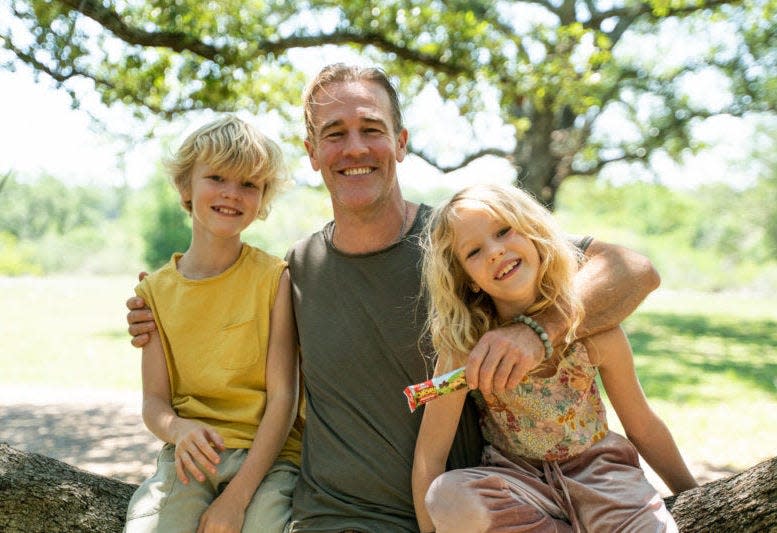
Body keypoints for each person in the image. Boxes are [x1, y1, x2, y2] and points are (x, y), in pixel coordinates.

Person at [127, 63, 661, 532]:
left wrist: (538, 330)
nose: (355, 148)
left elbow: (633, 271)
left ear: (400, 141)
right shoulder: (298, 268)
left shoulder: (460, 246)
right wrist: (156, 307)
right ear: (313, 153)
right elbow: (234, 328)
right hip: (326, 518)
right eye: (334, 133)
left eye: (372, 129)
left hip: (446, 515)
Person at [413, 183, 697, 533]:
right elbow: (431, 455)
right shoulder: (466, 347)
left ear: (533, 235)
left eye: (504, 231)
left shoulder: (594, 330)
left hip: (603, 478)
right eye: (473, 252)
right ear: (468, 281)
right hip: (517, 484)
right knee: (447, 496)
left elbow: (642, 424)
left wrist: (694, 493)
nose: (494, 251)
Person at [124, 115, 303, 533]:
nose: (231, 194)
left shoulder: (274, 279)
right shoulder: (155, 293)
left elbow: (283, 398)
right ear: (186, 186)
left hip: (269, 458)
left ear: (262, 198)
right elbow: (154, 403)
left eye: (249, 184)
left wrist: (236, 499)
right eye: (217, 177)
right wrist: (179, 430)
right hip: (189, 454)